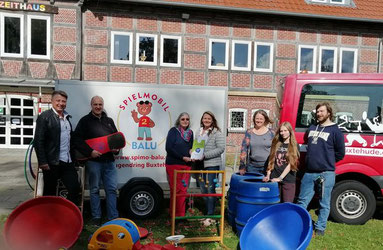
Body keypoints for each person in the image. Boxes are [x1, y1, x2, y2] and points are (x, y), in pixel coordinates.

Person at [297, 102, 345, 236]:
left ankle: (320, 228)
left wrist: (327, 161)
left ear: (329, 113)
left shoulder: (335, 130)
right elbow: (307, 143)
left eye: (322, 111)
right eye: (317, 111)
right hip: (309, 172)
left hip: (326, 174)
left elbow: (340, 153)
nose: (319, 114)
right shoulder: (312, 128)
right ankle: (299, 224)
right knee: (302, 201)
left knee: (324, 203)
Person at [73, 96, 119, 225]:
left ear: (103, 105)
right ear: (91, 105)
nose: (98, 107)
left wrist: (116, 149)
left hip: (109, 161)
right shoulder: (85, 121)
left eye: (100, 104)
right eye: (95, 104)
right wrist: (90, 152)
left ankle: (113, 217)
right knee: (94, 190)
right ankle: (96, 217)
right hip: (94, 162)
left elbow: (115, 139)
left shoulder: (109, 121)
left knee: (111, 190)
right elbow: (76, 139)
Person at [34, 90, 80, 204]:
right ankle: (48, 218)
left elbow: (70, 140)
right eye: (58, 100)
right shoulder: (44, 117)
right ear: (52, 101)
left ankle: (66, 215)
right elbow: (38, 141)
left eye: (63, 101)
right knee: (50, 193)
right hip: (51, 162)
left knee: (74, 188)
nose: (61, 103)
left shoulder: (67, 117)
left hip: (67, 161)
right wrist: (43, 162)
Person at [195, 111, 225, 221]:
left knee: (210, 189)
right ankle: (207, 211)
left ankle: (210, 214)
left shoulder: (217, 133)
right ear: (202, 120)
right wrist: (193, 152)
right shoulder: (198, 131)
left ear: (212, 120)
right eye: (204, 118)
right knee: (203, 189)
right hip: (199, 165)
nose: (206, 120)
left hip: (212, 164)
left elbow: (221, 148)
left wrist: (205, 155)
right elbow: (196, 146)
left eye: (209, 119)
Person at [263, 122, 299, 203]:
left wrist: (280, 178)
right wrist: (268, 175)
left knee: (287, 205)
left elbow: (291, 164)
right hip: (274, 179)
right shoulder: (276, 144)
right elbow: (271, 160)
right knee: (275, 204)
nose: (283, 133)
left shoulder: (294, 145)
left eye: (285, 130)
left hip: (288, 180)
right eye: (281, 131)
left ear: (290, 131)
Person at [165, 112, 193, 217]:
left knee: (183, 190)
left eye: (187, 119)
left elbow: (190, 147)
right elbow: (168, 148)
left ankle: (180, 215)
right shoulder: (173, 131)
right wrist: (182, 157)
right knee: (175, 190)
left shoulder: (191, 133)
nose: (185, 121)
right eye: (183, 119)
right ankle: (173, 215)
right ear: (179, 121)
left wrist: (192, 153)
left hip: (186, 165)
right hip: (173, 165)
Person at [239, 110, 274, 175]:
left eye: (261, 119)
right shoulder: (249, 132)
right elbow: (244, 150)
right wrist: (242, 166)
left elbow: (276, 149)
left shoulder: (271, 133)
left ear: (265, 120)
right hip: (252, 167)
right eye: (257, 118)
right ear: (254, 119)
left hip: (267, 167)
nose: (259, 120)